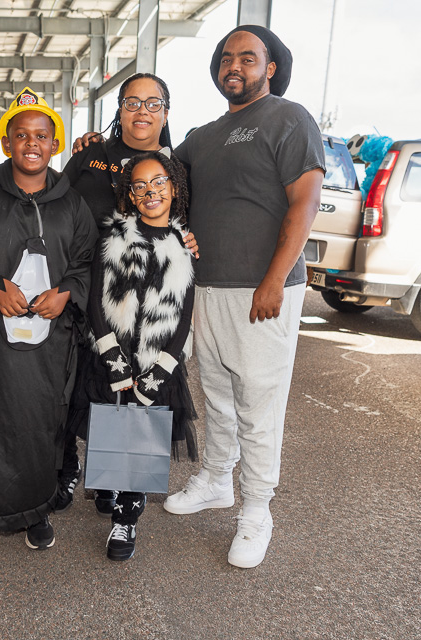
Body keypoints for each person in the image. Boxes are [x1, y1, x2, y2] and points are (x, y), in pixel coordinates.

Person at [163, 25, 325, 569]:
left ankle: (257, 510)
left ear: (271, 66)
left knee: (259, 405)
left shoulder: (289, 118)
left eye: (248, 58)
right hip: (207, 288)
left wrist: (275, 278)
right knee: (217, 394)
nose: (235, 66)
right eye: (227, 58)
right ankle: (215, 479)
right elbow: (155, 172)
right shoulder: (203, 135)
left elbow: (304, 203)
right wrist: (101, 147)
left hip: (264, 292)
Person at [0, 87, 97, 552]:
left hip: (53, 338)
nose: (31, 143)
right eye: (20, 135)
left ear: (54, 144)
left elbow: (87, 260)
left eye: (41, 135)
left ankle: (37, 509)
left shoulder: (73, 204)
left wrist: (68, 292)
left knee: (42, 421)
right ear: (6, 143)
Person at [59, 72, 199, 517]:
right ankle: (67, 470)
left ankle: (117, 485)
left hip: (134, 304)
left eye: (153, 103)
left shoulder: (175, 167)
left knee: (121, 388)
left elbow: (179, 229)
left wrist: (189, 242)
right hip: (75, 287)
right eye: (132, 102)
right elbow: (55, 202)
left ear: (166, 111)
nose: (142, 111)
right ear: (118, 109)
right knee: (71, 390)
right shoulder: (89, 155)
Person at [83, 150, 197, 561]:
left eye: (159, 183)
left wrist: (160, 372)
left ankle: (126, 516)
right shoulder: (113, 239)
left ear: (174, 188)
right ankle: (109, 483)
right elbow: (96, 301)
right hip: (113, 356)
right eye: (140, 185)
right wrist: (111, 355)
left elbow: (183, 317)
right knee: (112, 419)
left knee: (142, 434)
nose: (151, 192)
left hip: (157, 362)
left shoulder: (184, 246)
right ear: (130, 194)